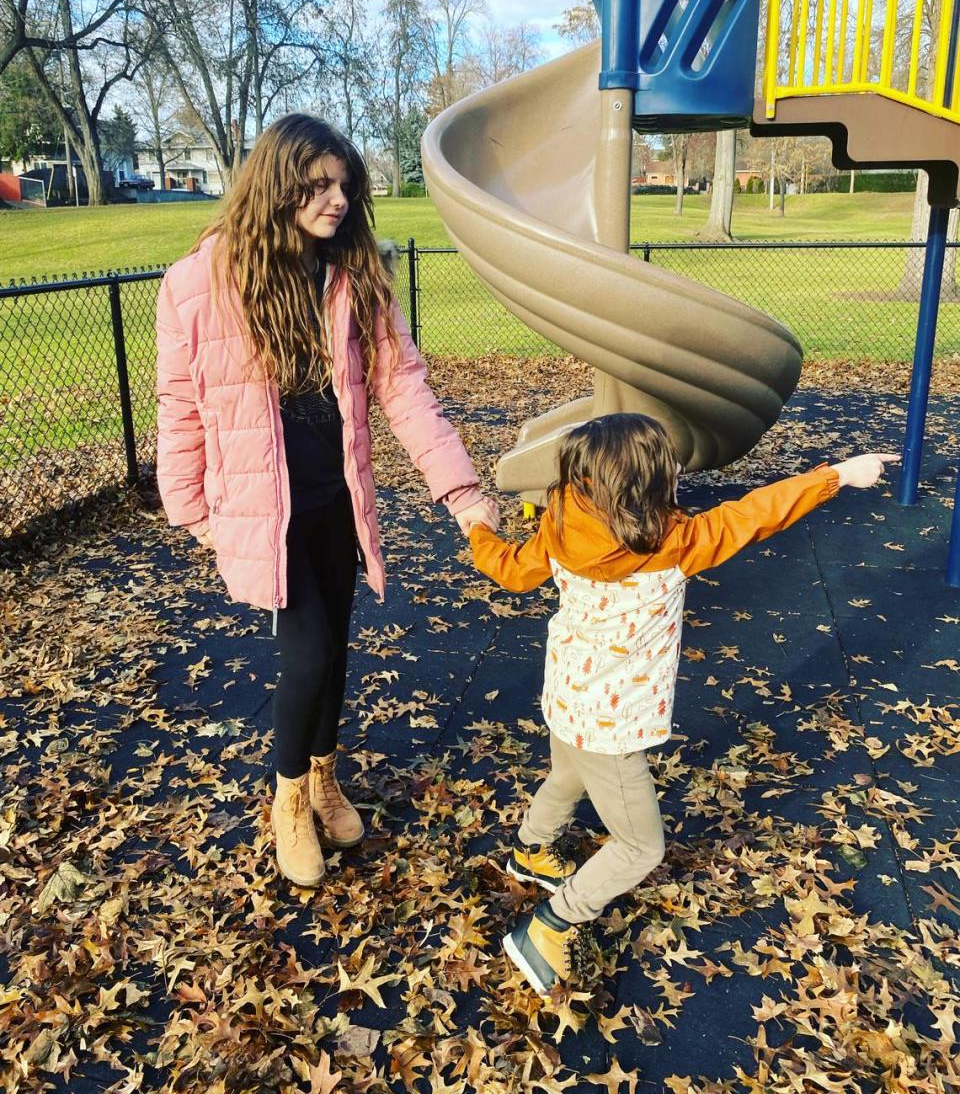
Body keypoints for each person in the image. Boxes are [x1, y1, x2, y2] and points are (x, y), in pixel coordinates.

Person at [155, 114, 498, 889]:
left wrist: (462, 491)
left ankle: (322, 778)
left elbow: (402, 386)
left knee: (335, 650)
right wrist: (192, 510)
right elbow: (179, 403)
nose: (336, 198)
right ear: (277, 185)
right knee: (304, 653)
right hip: (261, 507)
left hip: (336, 497)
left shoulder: (355, 272)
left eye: (345, 184)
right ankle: (285, 802)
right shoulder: (198, 283)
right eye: (317, 184)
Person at [469, 413, 896, 995]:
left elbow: (511, 572)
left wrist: (478, 530)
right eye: (669, 463)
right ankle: (553, 923)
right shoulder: (677, 544)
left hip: (567, 694)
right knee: (641, 847)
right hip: (613, 725)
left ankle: (530, 853)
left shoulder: (563, 521)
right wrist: (839, 475)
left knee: (566, 775)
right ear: (647, 485)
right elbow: (756, 514)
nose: (677, 468)